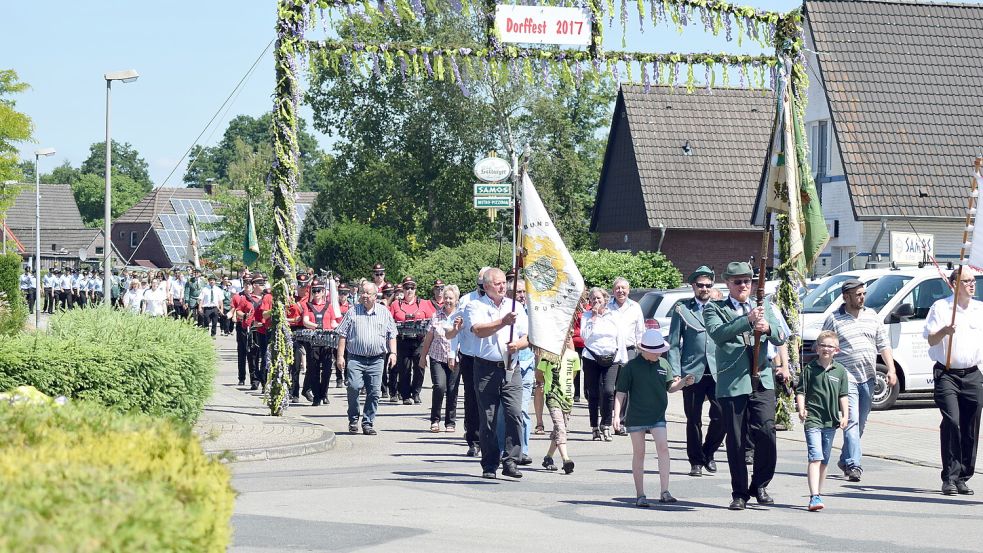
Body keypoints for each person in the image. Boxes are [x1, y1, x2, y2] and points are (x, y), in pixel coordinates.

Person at [703, 261, 789, 511]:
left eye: (747, 281)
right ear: (728, 283)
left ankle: (760, 484)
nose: (743, 285)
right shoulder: (715, 308)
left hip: (761, 379)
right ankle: (739, 492)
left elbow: (781, 336)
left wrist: (768, 327)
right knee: (737, 441)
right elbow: (718, 334)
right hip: (733, 382)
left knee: (767, 432)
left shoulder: (765, 307)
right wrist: (748, 321)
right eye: (737, 281)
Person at [821, 278, 896, 482]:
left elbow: (883, 344)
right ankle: (854, 465)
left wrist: (891, 369)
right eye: (858, 294)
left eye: (863, 294)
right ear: (846, 297)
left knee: (860, 423)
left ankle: (845, 458)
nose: (862, 297)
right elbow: (824, 345)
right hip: (847, 379)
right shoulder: (834, 319)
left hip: (868, 377)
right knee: (851, 420)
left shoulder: (872, 316)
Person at [613, 329, 694, 507]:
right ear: (644, 349)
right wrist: (616, 415)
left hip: (658, 415)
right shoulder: (631, 367)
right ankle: (640, 494)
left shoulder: (664, 364)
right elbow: (620, 392)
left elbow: (670, 387)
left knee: (663, 448)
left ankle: (664, 491)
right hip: (636, 417)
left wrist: (683, 382)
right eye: (655, 350)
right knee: (639, 452)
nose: (659, 352)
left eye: (660, 349)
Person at [924, 266, 983, 496]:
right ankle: (949, 476)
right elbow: (931, 339)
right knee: (953, 422)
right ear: (954, 284)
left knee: (970, 426)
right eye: (967, 281)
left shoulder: (980, 309)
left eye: (973, 281)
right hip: (947, 373)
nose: (972, 284)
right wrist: (944, 332)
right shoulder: (942, 308)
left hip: (972, 374)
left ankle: (963, 476)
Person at [465, 267, 529, 479]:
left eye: (504, 282)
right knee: (489, 418)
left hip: (511, 367)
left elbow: (528, 337)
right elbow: (479, 330)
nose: (503, 286)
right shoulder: (475, 306)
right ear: (486, 286)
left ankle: (511, 459)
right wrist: (503, 322)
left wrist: (517, 345)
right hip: (485, 367)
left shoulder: (515, 306)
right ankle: (489, 463)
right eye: (498, 283)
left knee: (514, 413)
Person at [668, 265, 724, 477]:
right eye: (700, 285)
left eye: (708, 285)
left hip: (718, 370)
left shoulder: (720, 308)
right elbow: (673, 343)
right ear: (693, 286)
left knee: (722, 416)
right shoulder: (682, 309)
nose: (704, 289)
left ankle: (708, 452)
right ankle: (696, 462)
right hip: (692, 371)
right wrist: (675, 372)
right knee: (693, 419)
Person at [796, 330, 850, 512]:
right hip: (813, 419)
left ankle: (819, 491)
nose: (826, 349)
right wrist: (801, 408)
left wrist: (845, 415)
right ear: (817, 348)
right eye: (823, 345)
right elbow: (801, 391)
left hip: (831, 421)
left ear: (837, 350)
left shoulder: (840, 371)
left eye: (830, 346)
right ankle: (814, 496)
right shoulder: (810, 369)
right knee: (815, 457)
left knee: (825, 460)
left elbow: (843, 395)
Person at [336, 281, 398, 435]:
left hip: (377, 359)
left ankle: (368, 422)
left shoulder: (384, 312)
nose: (364, 296)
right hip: (355, 358)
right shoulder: (353, 311)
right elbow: (343, 334)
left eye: (368, 293)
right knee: (354, 387)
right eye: (362, 292)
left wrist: (393, 353)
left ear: (375, 296)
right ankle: (353, 419)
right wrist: (340, 356)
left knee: (374, 392)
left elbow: (392, 334)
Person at [581, 287, 627, 442]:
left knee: (608, 391)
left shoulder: (614, 316)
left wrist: (622, 358)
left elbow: (620, 338)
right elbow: (584, 336)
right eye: (593, 299)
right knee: (593, 393)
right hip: (591, 357)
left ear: (605, 300)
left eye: (599, 299)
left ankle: (606, 424)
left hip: (611, 357)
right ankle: (594, 426)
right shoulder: (586, 316)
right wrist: (593, 318)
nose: (596, 301)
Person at [419, 285, 463, 432]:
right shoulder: (436, 315)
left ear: (456, 300)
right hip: (437, 357)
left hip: (455, 359)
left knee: (452, 389)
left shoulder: (461, 316)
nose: (448, 301)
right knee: (439, 386)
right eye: (446, 298)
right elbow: (429, 337)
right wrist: (423, 356)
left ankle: (450, 422)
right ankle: (435, 419)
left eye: (451, 298)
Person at [457, 267, 491, 457]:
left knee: (490, 400)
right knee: (471, 398)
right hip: (470, 356)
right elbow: (456, 326)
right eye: (480, 285)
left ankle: (491, 437)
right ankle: (474, 440)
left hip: (491, 356)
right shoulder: (466, 300)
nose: (482, 289)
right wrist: (453, 351)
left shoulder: (499, 302)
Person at [389, 276, 436, 404]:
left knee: (420, 366)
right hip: (403, 340)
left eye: (412, 288)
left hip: (419, 340)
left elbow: (433, 319)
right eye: (406, 287)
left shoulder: (424, 303)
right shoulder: (395, 304)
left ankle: (416, 392)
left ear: (415, 289)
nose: (409, 290)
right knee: (404, 368)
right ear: (402, 289)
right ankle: (405, 395)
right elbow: (389, 321)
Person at [608, 277, 646, 435]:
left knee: (626, 387)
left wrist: (642, 352)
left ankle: (621, 421)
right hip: (611, 350)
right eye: (617, 288)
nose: (620, 291)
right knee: (610, 388)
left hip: (630, 350)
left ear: (628, 290)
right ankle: (609, 417)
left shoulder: (635, 307)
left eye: (623, 288)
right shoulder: (608, 307)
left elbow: (640, 331)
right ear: (613, 290)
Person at [539, 334, 581, 475]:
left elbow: (573, 374)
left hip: (567, 397)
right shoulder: (548, 355)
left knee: (559, 430)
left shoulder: (574, 356)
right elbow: (539, 374)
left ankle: (548, 457)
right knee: (560, 427)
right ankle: (566, 459)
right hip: (552, 395)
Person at [303, 279, 343, 406]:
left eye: (318, 291)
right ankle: (316, 396)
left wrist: (340, 326)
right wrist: (316, 326)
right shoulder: (308, 306)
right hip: (313, 341)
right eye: (314, 291)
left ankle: (324, 393)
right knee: (313, 370)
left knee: (327, 370)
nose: (316, 293)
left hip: (327, 342)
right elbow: (305, 321)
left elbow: (332, 323)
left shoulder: (329, 306)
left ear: (323, 292)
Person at [242, 276, 273, 392]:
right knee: (255, 356)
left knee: (266, 356)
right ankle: (257, 378)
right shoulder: (248, 298)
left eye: (264, 284)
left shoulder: (267, 296)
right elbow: (243, 313)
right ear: (254, 285)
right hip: (258, 330)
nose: (263, 286)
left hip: (266, 329)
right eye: (260, 284)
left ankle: (263, 380)